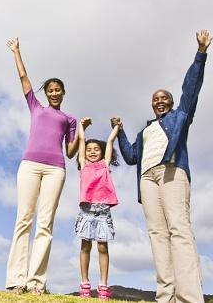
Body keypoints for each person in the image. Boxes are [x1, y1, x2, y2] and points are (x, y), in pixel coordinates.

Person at [111, 29, 213, 303]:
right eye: (155, 98)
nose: (159, 100)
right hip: (147, 178)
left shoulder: (180, 117)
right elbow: (132, 156)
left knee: (179, 228)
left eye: (163, 97)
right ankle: (165, 296)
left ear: (170, 101)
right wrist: (119, 131)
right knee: (157, 233)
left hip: (171, 170)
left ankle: (189, 297)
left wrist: (200, 54)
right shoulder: (146, 131)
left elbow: (190, 89)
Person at [5, 37, 81, 295]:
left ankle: (36, 282)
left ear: (63, 92)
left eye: (58, 89)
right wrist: (17, 51)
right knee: (24, 219)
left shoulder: (69, 119)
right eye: (50, 89)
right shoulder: (35, 107)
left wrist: (82, 132)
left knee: (45, 224)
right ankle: (17, 280)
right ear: (46, 93)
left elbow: (71, 153)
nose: (54, 92)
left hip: (55, 169)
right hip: (29, 165)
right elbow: (23, 77)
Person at [75, 117, 120, 301]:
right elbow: (81, 141)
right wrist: (81, 127)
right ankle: (85, 285)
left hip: (102, 212)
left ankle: (103, 286)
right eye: (89, 150)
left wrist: (116, 127)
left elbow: (109, 141)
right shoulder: (84, 164)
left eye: (96, 150)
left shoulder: (105, 165)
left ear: (102, 153)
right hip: (86, 211)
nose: (92, 152)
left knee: (103, 247)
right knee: (85, 246)